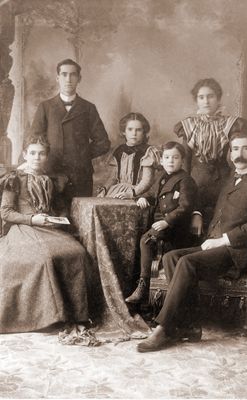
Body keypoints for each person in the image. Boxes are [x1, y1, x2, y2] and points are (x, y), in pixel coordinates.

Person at [137, 129, 247, 352]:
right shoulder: (231, 179)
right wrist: (197, 215)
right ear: (230, 154)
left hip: (236, 251)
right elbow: (207, 205)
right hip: (211, 243)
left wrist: (222, 240)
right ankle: (190, 326)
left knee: (187, 262)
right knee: (172, 257)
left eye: (246, 148)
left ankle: (164, 327)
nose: (239, 153)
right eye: (236, 148)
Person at [0, 134, 92, 333]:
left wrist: (58, 218)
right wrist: (33, 219)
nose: (36, 157)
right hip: (23, 228)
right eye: (32, 153)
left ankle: (75, 313)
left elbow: (58, 207)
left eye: (41, 154)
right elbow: (6, 212)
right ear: (24, 154)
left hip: (48, 227)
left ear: (47, 156)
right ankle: (48, 317)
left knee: (78, 252)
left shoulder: (51, 180)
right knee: (45, 257)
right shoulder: (14, 179)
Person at [174, 78, 247, 233]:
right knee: (194, 225)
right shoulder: (189, 126)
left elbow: (236, 156)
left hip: (224, 179)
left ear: (218, 98)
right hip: (196, 180)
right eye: (201, 97)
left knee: (221, 224)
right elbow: (185, 161)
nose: (206, 101)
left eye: (211, 96)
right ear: (196, 100)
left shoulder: (231, 124)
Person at [125, 141, 198, 304]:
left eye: (175, 157)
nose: (171, 161)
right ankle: (143, 283)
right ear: (162, 161)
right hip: (161, 225)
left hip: (177, 228)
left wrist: (167, 221)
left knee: (146, 240)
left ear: (182, 160)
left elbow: (185, 207)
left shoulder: (186, 181)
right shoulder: (162, 177)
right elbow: (152, 194)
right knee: (142, 235)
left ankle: (143, 286)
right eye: (167, 157)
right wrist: (143, 197)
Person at [31, 58, 110, 200]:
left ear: (79, 78)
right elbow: (34, 138)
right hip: (51, 171)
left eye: (73, 75)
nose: (68, 79)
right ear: (57, 78)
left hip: (80, 174)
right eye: (64, 74)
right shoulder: (45, 107)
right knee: (53, 215)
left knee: (79, 217)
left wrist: (81, 155)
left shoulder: (88, 108)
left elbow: (103, 142)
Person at [97, 112, 159, 199]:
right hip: (117, 190)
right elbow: (113, 178)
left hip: (138, 193)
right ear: (124, 132)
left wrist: (131, 193)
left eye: (138, 130)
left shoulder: (147, 152)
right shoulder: (119, 151)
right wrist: (105, 190)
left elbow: (147, 181)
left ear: (144, 132)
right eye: (130, 129)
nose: (134, 133)